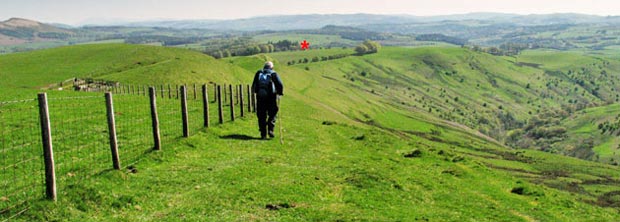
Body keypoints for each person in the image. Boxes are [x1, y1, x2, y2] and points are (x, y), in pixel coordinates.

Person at [251, 61, 284, 139]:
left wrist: (255, 93)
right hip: (271, 97)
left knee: (261, 115)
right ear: (271, 67)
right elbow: (280, 84)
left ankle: (263, 134)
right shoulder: (273, 74)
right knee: (273, 113)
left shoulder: (258, 73)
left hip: (260, 97)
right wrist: (280, 93)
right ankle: (270, 129)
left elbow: (254, 85)